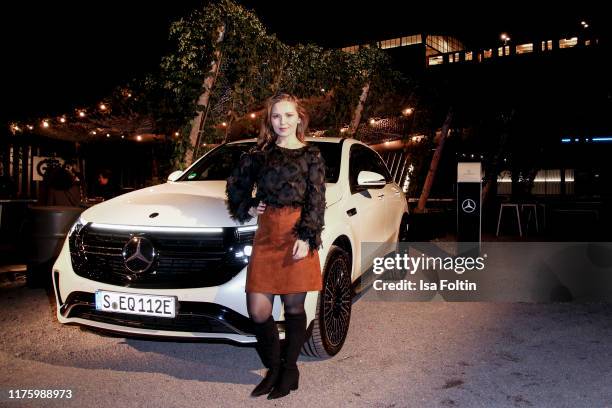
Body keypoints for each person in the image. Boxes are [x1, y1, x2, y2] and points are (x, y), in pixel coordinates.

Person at [225, 93, 326, 399]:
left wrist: (306, 236)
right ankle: (274, 368)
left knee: (294, 307)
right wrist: (250, 204)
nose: (282, 122)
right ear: (269, 121)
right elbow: (235, 186)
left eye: (288, 115)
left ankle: (289, 369)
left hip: (297, 232)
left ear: (300, 118)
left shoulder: (312, 156)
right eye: (276, 116)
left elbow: (316, 200)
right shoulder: (260, 154)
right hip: (268, 234)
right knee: (258, 310)